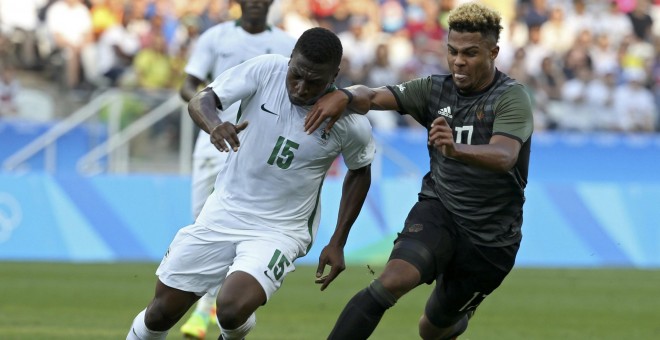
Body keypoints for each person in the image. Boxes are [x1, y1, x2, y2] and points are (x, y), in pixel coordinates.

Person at [126, 27, 376, 340]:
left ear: (334, 75)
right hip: (223, 210)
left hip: (280, 229)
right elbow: (201, 100)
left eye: (314, 82)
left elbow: (360, 171)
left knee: (230, 308)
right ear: (289, 61)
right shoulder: (266, 69)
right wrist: (215, 126)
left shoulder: (350, 123)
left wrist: (338, 240)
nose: (300, 88)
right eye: (295, 75)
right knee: (161, 312)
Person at [305, 2, 533, 339]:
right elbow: (372, 96)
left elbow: (504, 155)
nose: (458, 61)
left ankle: (458, 314)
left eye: (470, 53)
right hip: (439, 211)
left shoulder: (511, 98)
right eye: (452, 51)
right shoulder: (434, 90)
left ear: (493, 52)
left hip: (491, 239)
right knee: (390, 282)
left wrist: (455, 149)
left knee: (432, 329)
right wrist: (343, 95)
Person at [177, 1, 296, 338]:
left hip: (258, 147)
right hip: (213, 140)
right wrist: (213, 117)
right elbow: (189, 86)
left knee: (244, 228)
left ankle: (205, 310)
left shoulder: (288, 46)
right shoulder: (215, 37)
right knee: (205, 226)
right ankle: (210, 305)